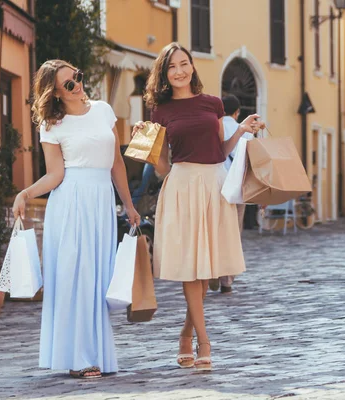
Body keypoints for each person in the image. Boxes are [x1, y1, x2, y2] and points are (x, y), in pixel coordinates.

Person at [133, 42, 263, 372]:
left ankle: (185, 334)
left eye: (184, 63)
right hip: (182, 185)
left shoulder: (212, 103)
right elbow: (163, 166)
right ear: (164, 74)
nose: (179, 70)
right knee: (193, 268)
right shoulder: (160, 111)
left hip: (214, 183)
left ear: (192, 66)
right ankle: (204, 341)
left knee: (206, 271)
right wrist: (144, 144)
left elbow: (219, 149)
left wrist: (243, 131)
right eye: (172, 67)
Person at [12, 59, 140, 379]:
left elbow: (117, 165)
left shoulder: (103, 110)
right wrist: (25, 194)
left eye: (78, 77)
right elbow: (55, 175)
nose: (77, 85)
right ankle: (80, 357)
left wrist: (128, 204)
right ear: (54, 92)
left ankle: (96, 353)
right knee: (77, 278)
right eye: (68, 83)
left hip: (101, 205)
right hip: (71, 204)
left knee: (97, 279)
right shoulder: (52, 125)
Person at [209, 94, 254, 294]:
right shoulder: (245, 133)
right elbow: (252, 163)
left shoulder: (214, 127)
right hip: (238, 189)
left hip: (216, 184)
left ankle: (211, 270)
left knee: (214, 229)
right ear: (237, 112)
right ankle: (227, 280)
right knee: (233, 233)